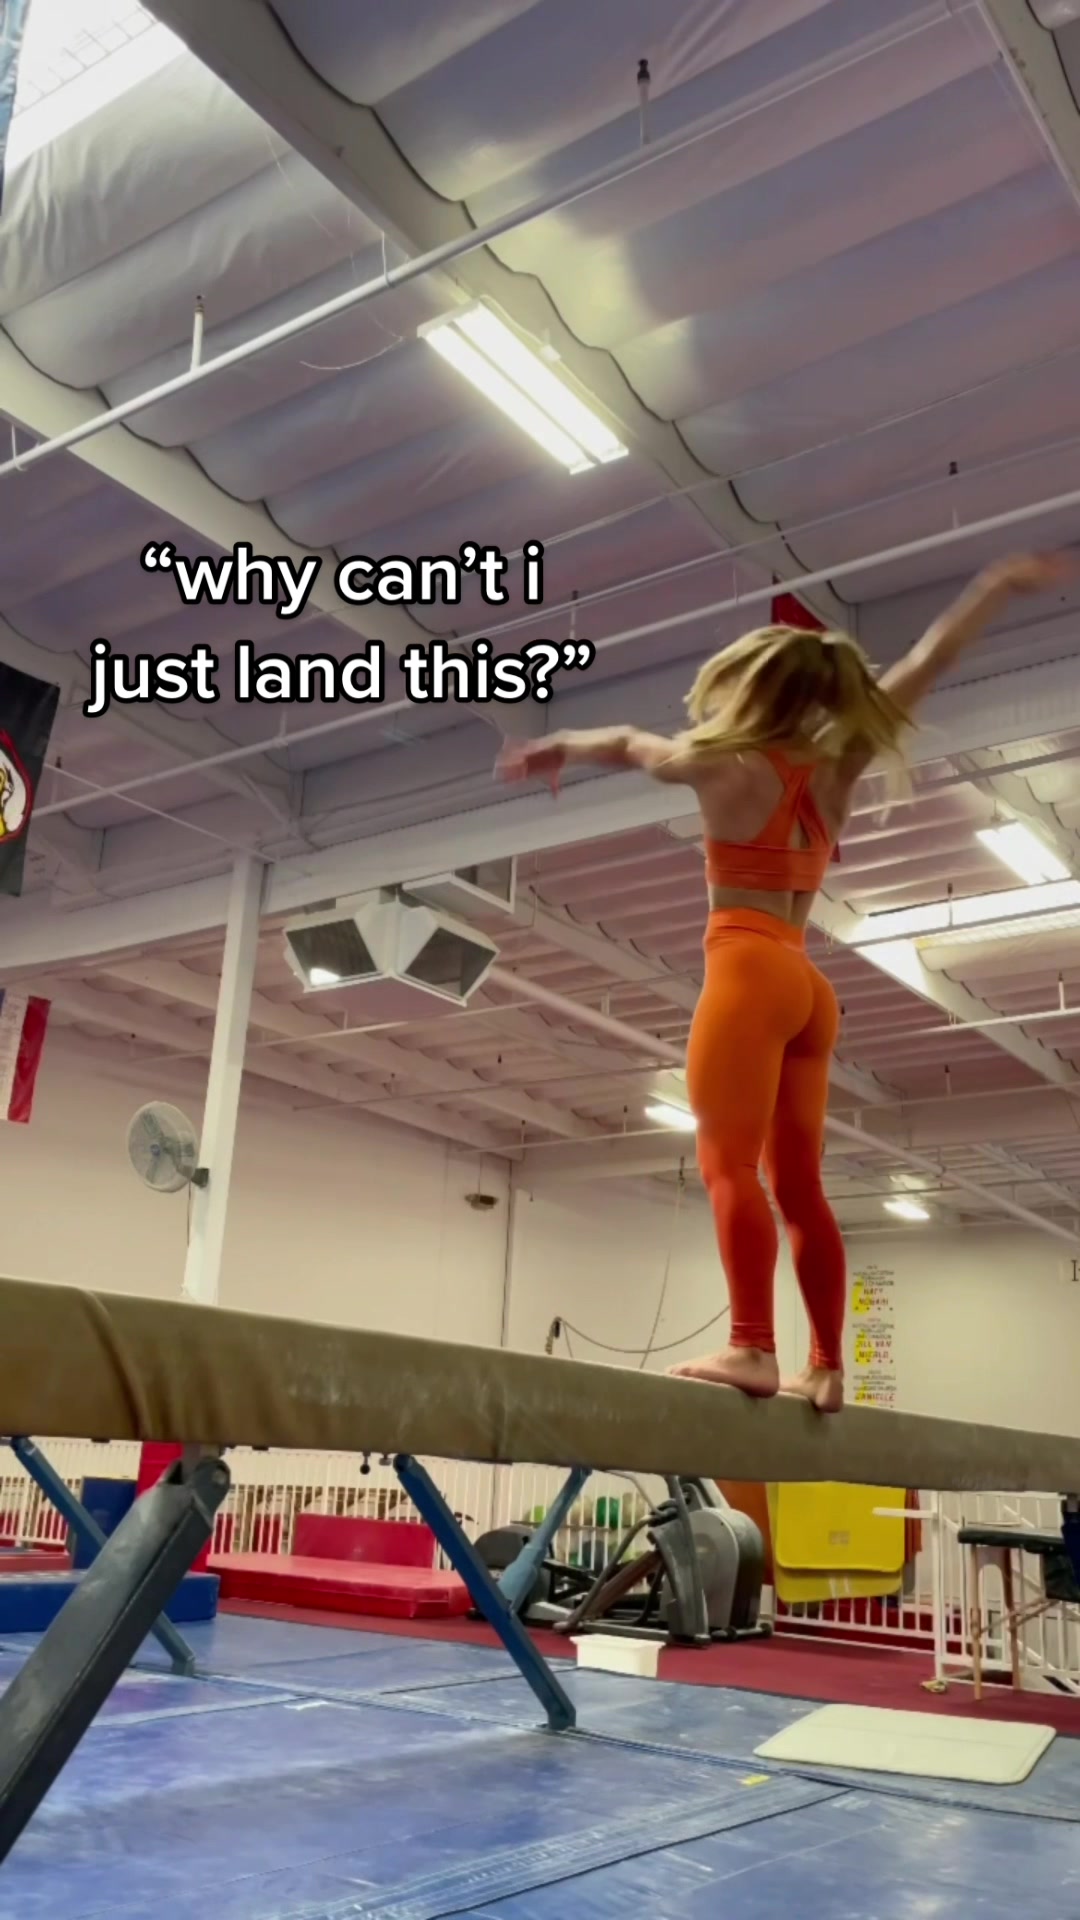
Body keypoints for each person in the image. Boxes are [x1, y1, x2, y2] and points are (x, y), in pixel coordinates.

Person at [498, 553, 1072, 1412]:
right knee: (800, 1188)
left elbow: (624, 742)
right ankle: (828, 1366)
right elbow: (929, 660)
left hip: (747, 970)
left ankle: (754, 1348)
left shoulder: (714, 763)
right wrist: (992, 588)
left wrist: (558, 747)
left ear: (748, 689)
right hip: (807, 985)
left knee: (726, 1164)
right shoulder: (839, 764)